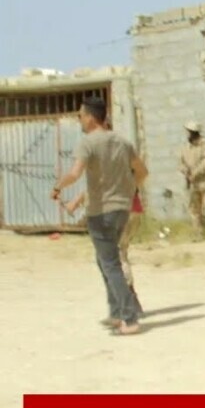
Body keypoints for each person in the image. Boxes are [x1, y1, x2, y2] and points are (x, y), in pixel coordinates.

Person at [51, 96, 147, 335]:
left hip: (101, 212)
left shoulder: (88, 143)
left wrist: (57, 187)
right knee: (104, 259)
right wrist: (128, 190)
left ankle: (129, 317)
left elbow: (75, 173)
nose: (80, 120)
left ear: (91, 118)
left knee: (111, 263)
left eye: (81, 116)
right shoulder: (122, 142)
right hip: (122, 210)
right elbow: (142, 172)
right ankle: (116, 312)